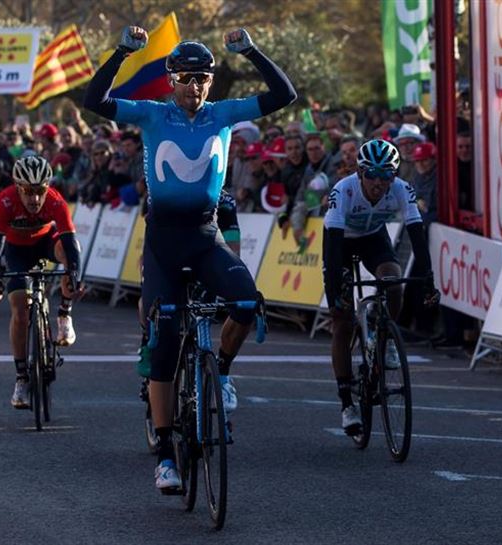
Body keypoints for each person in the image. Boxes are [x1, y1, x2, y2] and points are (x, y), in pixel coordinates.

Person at [84, 25, 295, 491]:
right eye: (185, 77)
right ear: (171, 80)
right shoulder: (153, 115)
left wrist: (252, 51)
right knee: (163, 345)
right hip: (163, 243)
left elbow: (285, 94)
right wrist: (122, 52)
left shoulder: (223, 114)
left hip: (205, 237)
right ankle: (164, 453)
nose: (194, 86)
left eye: (202, 78)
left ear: (211, 82)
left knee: (245, 303)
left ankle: (218, 371)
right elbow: (93, 101)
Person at [322, 139, 440, 435]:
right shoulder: (344, 190)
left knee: (394, 279)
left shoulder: (401, 189)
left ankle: (382, 334)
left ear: (395, 175)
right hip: (340, 241)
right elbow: (334, 248)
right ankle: (347, 403)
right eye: (372, 174)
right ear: (360, 172)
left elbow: (416, 233)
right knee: (343, 321)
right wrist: (335, 288)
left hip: (374, 237)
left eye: (386, 175)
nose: (379, 182)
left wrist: (428, 279)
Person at [0, 156, 82, 408]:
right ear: (17, 187)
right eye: (28, 192)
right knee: (20, 311)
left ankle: (64, 315)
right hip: (16, 251)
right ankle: (21, 377)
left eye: (40, 191)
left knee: (68, 256)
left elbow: (70, 242)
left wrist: (74, 274)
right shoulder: (5, 199)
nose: (35, 199)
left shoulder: (56, 200)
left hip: (45, 244)